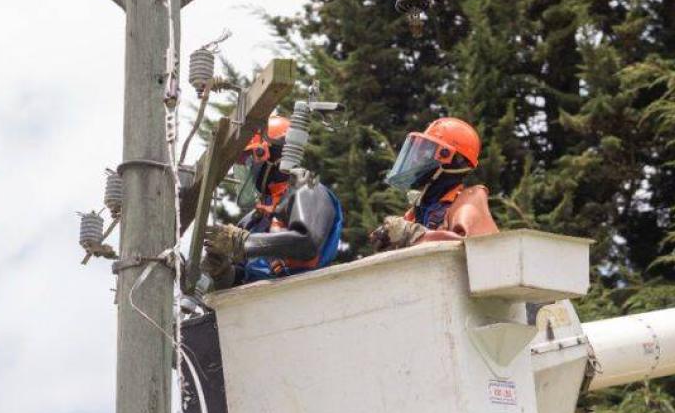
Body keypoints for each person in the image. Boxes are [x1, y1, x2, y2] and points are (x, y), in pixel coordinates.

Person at [201, 116, 344, 289]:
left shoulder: (307, 190)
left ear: (268, 154)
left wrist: (242, 243)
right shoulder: (252, 221)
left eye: (248, 160)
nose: (248, 171)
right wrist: (223, 271)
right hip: (261, 304)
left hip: (306, 293)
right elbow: (243, 278)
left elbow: (307, 243)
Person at [370, 117, 498, 251]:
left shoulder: (468, 204)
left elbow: (474, 248)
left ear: (451, 161)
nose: (417, 161)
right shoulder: (418, 211)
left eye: (427, 153)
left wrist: (413, 234)